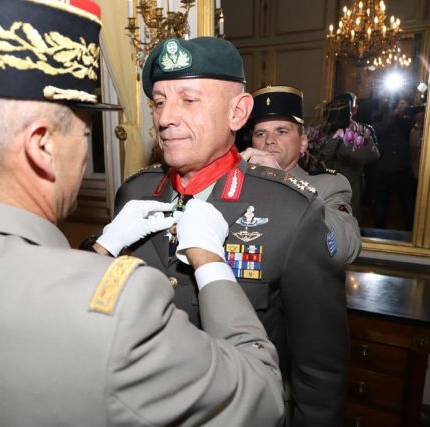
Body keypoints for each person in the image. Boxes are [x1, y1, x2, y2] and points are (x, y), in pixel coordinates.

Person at [0, 2, 285, 426]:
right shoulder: (121, 305)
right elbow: (262, 396)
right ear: (42, 146)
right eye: (85, 133)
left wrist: (100, 249)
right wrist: (210, 262)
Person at [95, 38, 349, 427]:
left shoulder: (288, 209)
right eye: (160, 102)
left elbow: (319, 370)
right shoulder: (135, 194)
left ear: (237, 112)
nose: (165, 118)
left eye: (189, 100)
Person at [241, 85, 361, 264]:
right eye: (260, 133)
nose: (269, 140)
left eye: (281, 131)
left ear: (303, 143)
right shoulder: (236, 183)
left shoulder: (328, 186)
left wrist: (284, 183)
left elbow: (345, 249)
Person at [315, 92, 380, 220]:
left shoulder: (321, 133)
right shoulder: (361, 136)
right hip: (348, 193)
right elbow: (375, 156)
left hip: (325, 192)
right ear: (352, 110)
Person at [372, 96, 416, 230]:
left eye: (405, 103)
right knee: (381, 204)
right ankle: (377, 234)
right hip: (385, 167)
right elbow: (376, 131)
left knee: (408, 204)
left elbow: (412, 132)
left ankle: (411, 234)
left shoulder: (408, 118)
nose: (402, 106)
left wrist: (404, 115)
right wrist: (392, 115)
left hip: (403, 166)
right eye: (400, 103)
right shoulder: (381, 116)